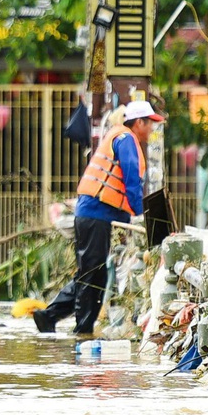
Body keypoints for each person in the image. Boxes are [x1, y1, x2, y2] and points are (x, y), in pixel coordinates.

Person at [33, 100, 163, 335]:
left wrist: (129, 216)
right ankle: (81, 331)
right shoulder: (126, 139)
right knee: (91, 273)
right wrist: (139, 213)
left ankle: (53, 317)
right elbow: (131, 179)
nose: (153, 129)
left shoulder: (121, 137)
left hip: (95, 214)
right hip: (95, 214)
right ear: (139, 122)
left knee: (96, 274)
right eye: (151, 123)